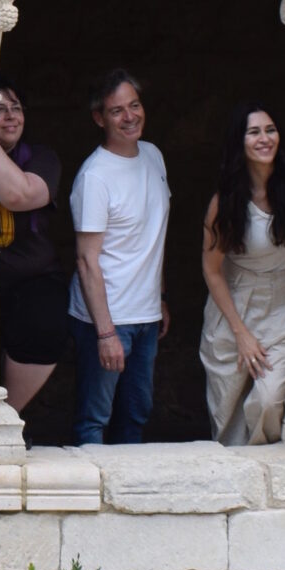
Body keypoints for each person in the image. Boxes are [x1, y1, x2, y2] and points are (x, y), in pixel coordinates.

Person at [200, 103, 285, 446]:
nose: (265, 138)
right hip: (238, 305)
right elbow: (212, 269)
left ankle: (267, 465)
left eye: (270, 130)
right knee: (228, 413)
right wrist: (242, 334)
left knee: (267, 399)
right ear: (239, 142)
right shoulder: (225, 202)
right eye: (254, 132)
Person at [70, 69, 170, 446]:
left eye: (135, 105)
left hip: (146, 315)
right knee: (94, 418)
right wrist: (106, 332)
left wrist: (160, 297)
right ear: (100, 118)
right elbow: (86, 261)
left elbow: (152, 236)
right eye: (117, 111)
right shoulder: (95, 177)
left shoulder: (154, 156)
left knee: (136, 414)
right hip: (107, 318)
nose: (130, 117)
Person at [0, 85, 67, 417]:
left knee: (45, 320)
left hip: (32, 276)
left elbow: (19, 195)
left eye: (17, 107)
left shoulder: (41, 157)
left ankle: (6, 417)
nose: (10, 116)